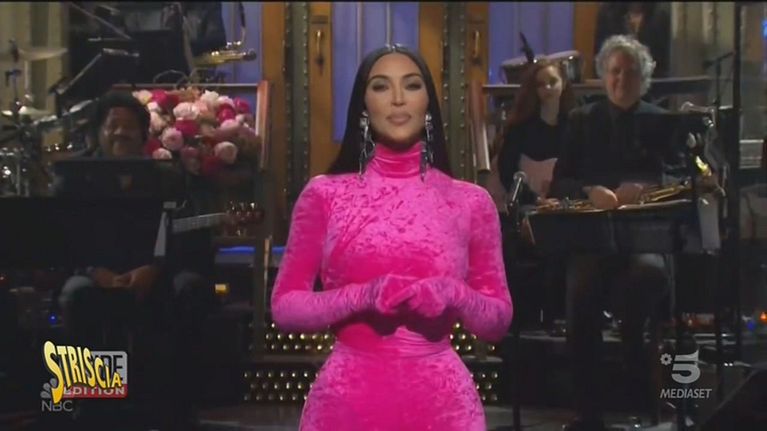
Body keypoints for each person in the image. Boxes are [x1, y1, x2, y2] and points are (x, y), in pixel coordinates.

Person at [270, 44, 513, 431]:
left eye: (412, 85)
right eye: (381, 86)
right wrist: (362, 296)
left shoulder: (470, 202)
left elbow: (497, 320)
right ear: (363, 106)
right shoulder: (324, 196)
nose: (398, 99)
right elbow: (285, 308)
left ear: (428, 103)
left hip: (443, 407)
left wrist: (454, 293)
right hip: (348, 404)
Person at [54, 91, 216, 431]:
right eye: (112, 125)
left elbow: (187, 236)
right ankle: (93, 408)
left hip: (154, 274)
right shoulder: (75, 178)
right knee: (76, 294)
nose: (120, 133)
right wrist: (93, 270)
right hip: (94, 274)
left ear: (143, 134)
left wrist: (154, 268)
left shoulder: (166, 177)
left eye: (129, 126)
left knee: (190, 288)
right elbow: (61, 236)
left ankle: (175, 408)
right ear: (98, 132)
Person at [550, 36, 676, 431]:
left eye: (630, 72)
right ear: (604, 76)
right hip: (592, 236)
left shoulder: (662, 120)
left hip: (645, 235)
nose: (622, 79)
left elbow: (680, 177)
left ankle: (639, 385)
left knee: (648, 276)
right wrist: (590, 191)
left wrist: (647, 190)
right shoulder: (581, 120)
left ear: (644, 78)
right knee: (582, 290)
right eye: (615, 71)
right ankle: (588, 412)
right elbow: (559, 183)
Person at [497, 59, 577, 203]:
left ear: (564, 83)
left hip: (567, 205)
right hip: (527, 206)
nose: (547, 88)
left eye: (553, 82)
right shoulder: (520, 128)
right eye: (541, 84)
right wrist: (535, 199)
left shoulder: (575, 126)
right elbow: (507, 172)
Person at [594, 2, 670, 78]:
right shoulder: (608, 13)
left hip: (650, 80)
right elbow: (601, 57)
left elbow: (662, 62)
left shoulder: (660, 15)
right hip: (614, 80)